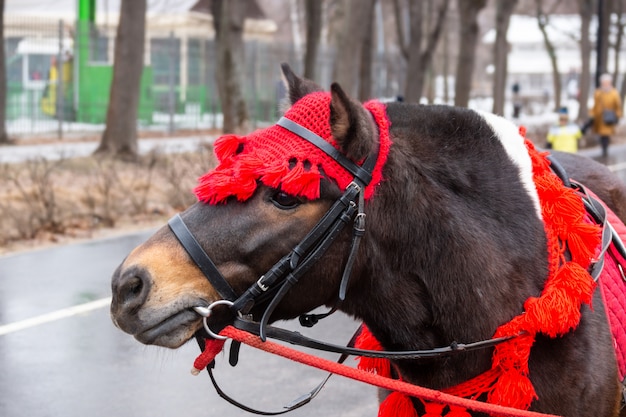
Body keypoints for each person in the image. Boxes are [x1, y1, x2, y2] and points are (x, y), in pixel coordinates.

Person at [591, 73, 622, 157]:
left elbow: (617, 105)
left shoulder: (614, 93)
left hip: (609, 117)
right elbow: (595, 105)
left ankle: (605, 148)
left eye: (606, 82)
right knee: (602, 134)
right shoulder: (598, 92)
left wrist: (618, 115)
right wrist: (593, 114)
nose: (605, 84)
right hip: (600, 117)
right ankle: (604, 147)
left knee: (606, 134)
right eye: (604, 82)